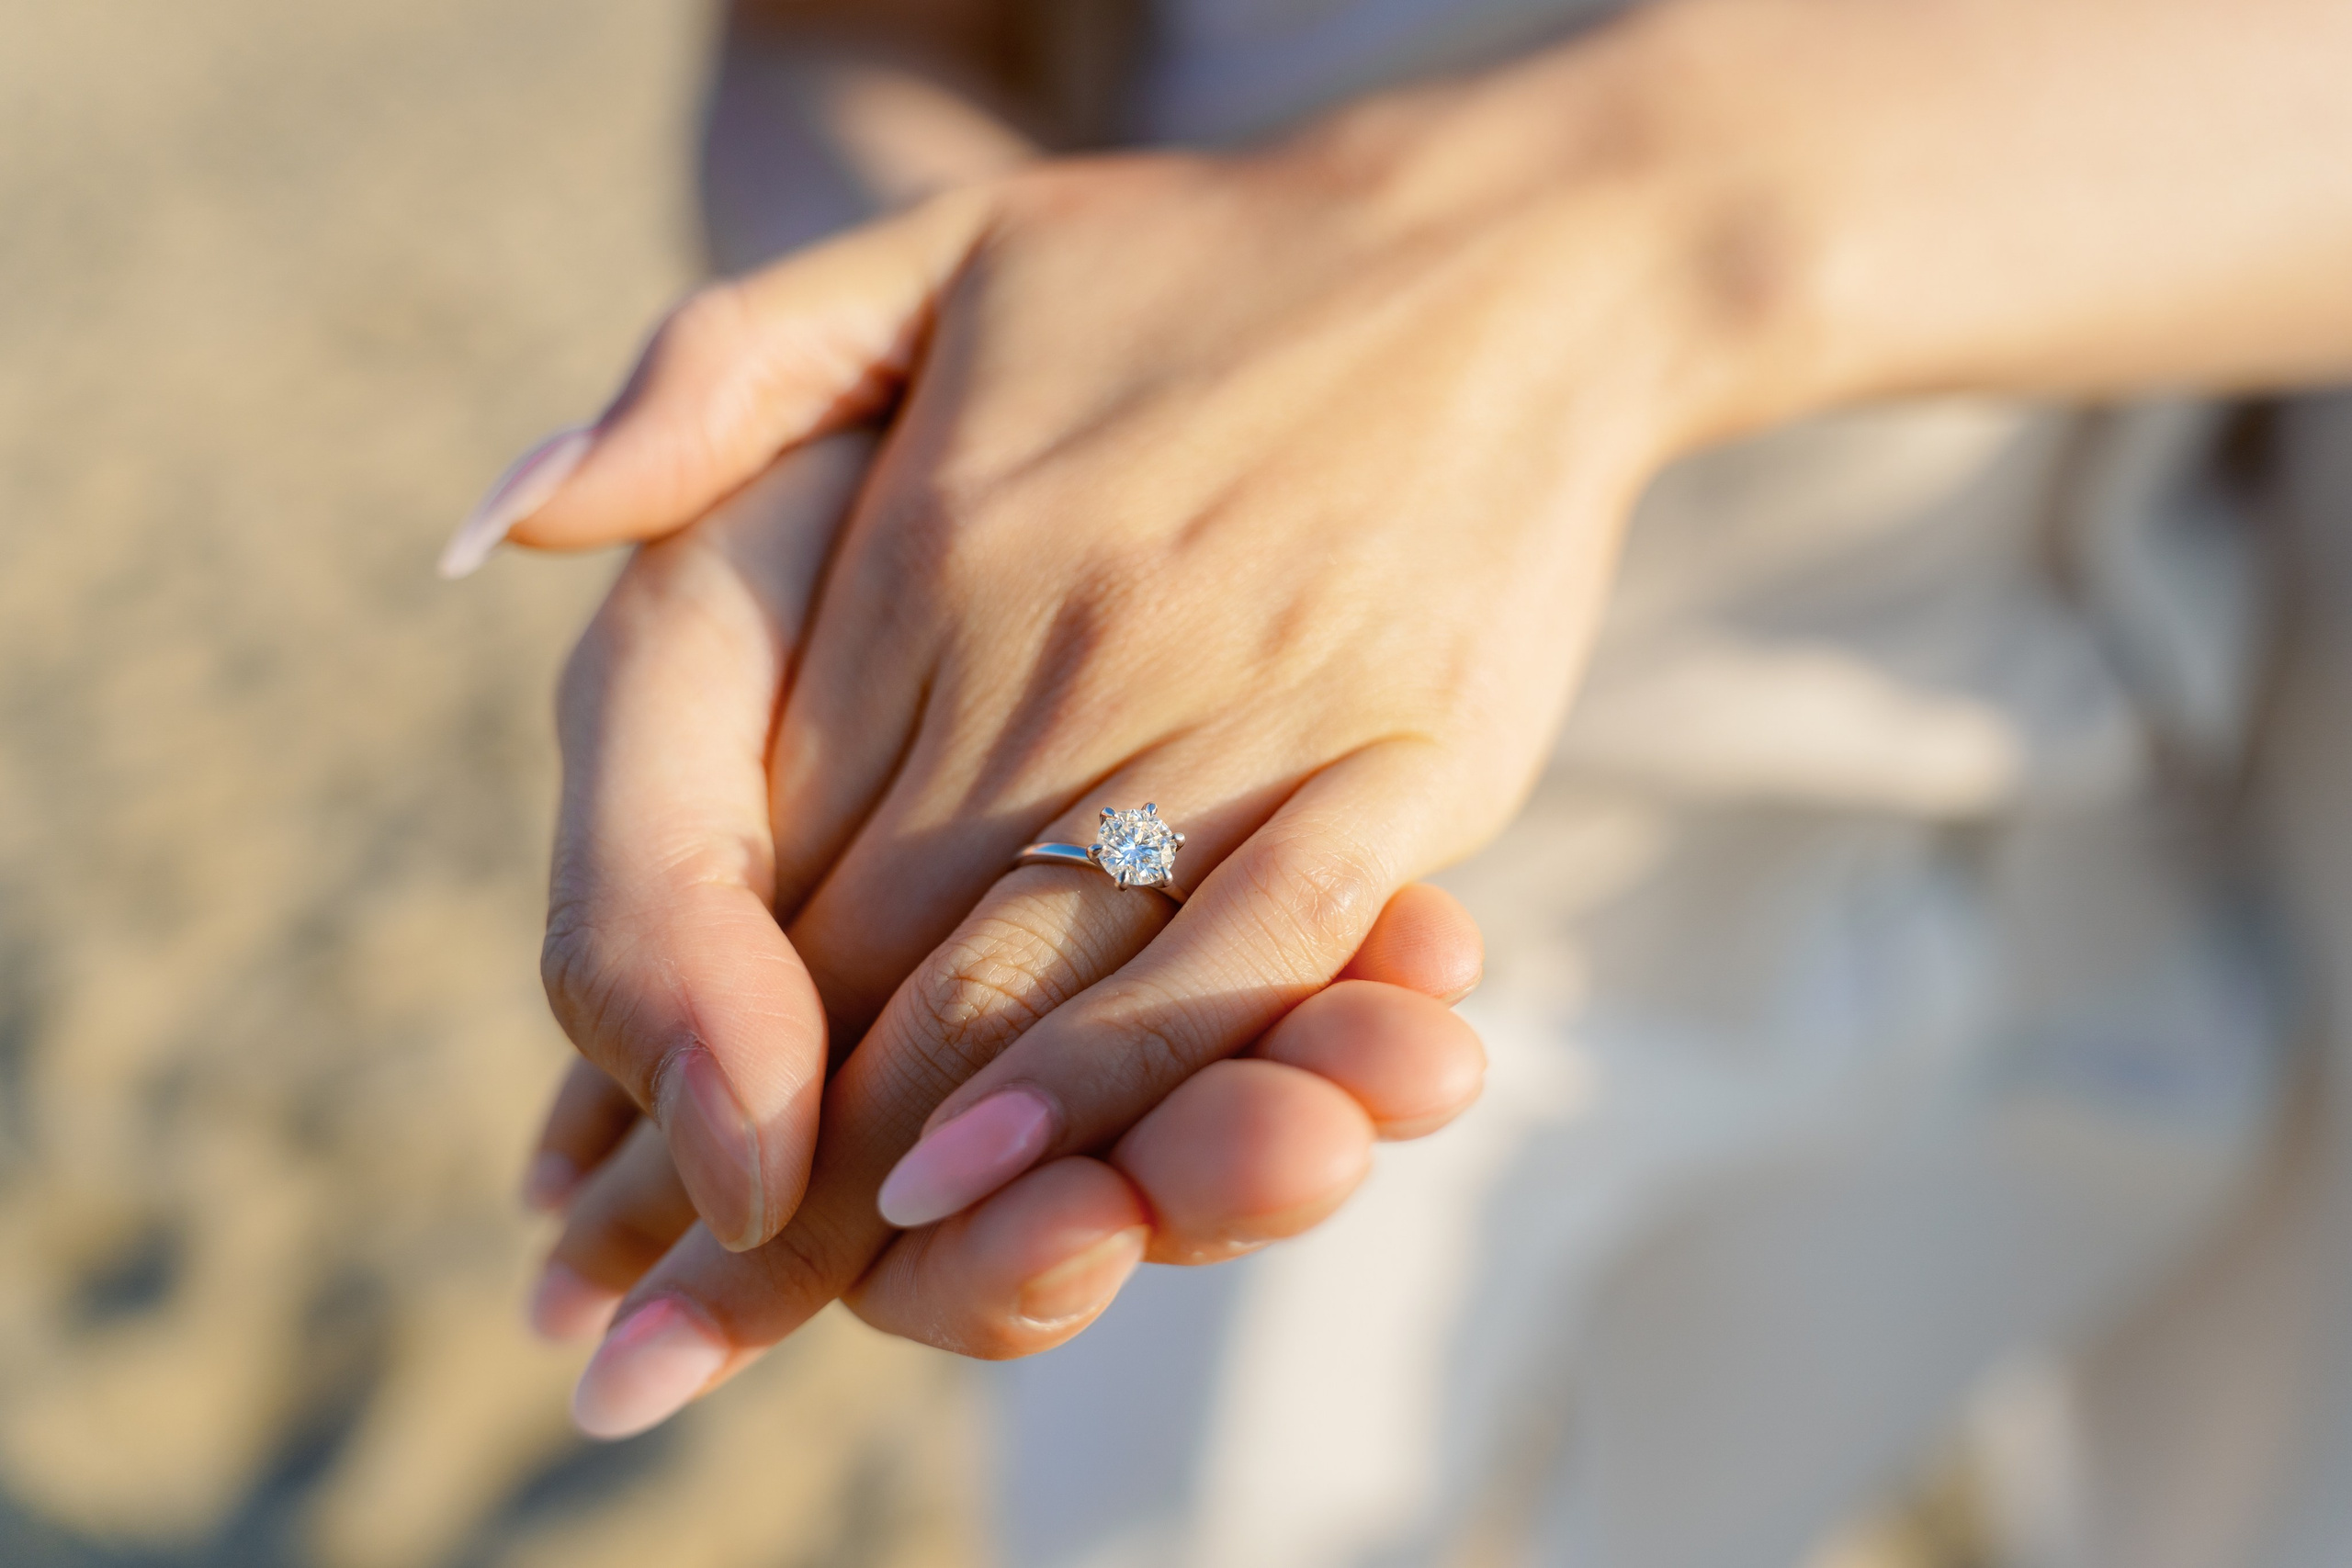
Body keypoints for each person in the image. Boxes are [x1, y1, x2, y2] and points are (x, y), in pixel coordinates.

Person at [443, 0, 2352, 1561]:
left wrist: (1562, 255)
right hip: (1285, 877)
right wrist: (936, 368)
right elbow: (843, 30)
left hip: (2143, 785)